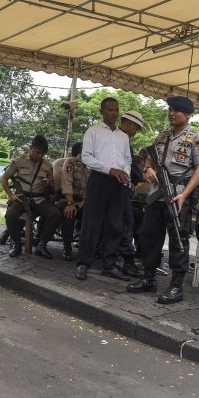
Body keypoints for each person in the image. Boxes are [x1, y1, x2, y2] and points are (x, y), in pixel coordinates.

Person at [127, 96, 199, 304]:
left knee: (178, 241)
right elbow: (149, 157)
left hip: (179, 196)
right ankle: (149, 278)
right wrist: (148, 168)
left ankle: (176, 286)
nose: (172, 114)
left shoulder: (197, 138)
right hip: (156, 196)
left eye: (178, 111)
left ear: (188, 115)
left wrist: (185, 194)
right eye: (170, 110)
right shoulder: (162, 136)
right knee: (149, 236)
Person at [74, 97, 131, 281]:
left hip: (118, 183)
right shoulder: (93, 131)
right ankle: (83, 263)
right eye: (109, 109)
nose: (113, 113)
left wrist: (125, 173)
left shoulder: (123, 136)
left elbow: (128, 159)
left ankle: (110, 265)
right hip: (99, 180)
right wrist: (109, 170)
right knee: (91, 223)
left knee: (115, 225)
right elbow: (86, 157)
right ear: (102, 111)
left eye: (116, 110)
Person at [0, 135, 62, 258]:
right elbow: (4, 178)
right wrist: (11, 195)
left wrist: (48, 184)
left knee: (56, 214)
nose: (40, 156)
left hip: (38, 199)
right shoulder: (19, 161)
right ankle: (17, 245)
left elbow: (53, 187)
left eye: (42, 153)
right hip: (21, 198)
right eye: (37, 152)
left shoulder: (47, 166)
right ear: (31, 148)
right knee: (10, 215)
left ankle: (42, 245)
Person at [116, 110, 146, 278]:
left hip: (116, 188)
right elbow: (132, 168)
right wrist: (143, 177)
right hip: (121, 188)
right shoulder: (123, 138)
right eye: (136, 129)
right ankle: (128, 262)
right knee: (127, 225)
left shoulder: (117, 137)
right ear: (129, 124)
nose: (136, 133)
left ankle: (115, 260)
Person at [59, 141, 89, 261]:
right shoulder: (71, 162)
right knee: (69, 214)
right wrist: (70, 203)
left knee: (96, 216)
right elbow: (67, 183)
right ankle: (67, 248)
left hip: (83, 201)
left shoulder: (94, 166)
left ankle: (91, 248)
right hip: (67, 199)